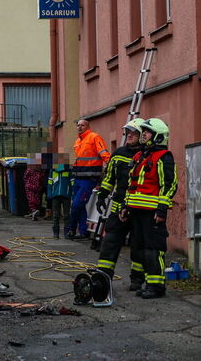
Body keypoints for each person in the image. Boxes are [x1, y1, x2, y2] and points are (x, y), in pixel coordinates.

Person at [124, 118, 177, 299]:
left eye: (147, 132)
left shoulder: (163, 157)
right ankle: (147, 283)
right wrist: (126, 206)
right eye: (144, 131)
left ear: (158, 136)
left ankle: (156, 286)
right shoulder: (140, 156)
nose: (143, 134)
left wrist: (161, 210)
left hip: (152, 213)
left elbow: (169, 185)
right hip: (137, 211)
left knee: (153, 249)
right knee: (139, 248)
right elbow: (131, 184)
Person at [95, 119, 145, 291]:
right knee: (109, 243)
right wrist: (102, 195)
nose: (129, 135)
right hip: (118, 209)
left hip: (138, 210)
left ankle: (137, 280)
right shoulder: (118, 153)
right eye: (127, 132)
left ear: (142, 136)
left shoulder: (147, 155)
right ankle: (103, 277)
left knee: (138, 245)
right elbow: (109, 178)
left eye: (134, 133)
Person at [67, 119, 110, 239]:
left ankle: (71, 229)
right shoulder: (77, 141)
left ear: (88, 126)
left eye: (82, 125)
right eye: (78, 125)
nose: (80, 127)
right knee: (78, 206)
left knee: (77, 205)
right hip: (78, 178)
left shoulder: (94, 137)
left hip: (89, 178)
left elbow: (103, 153)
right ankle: (83, 231)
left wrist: (111, 165)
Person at [46, 161, 71, 239]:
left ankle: (66, 233)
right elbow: (49, 183)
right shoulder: (52, 170)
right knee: (56, 215)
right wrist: (50, 194)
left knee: (66, 215)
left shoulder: (69, 170)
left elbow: (72, 182)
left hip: (66, 195)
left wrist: (72, 193)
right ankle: (56, 233)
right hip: (55, 196)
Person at [22, 155, 47, 220]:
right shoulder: (30, 170)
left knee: (36, 200)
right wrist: (27, 183)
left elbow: (42, 179)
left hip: (36, 187)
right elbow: (25, 177)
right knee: (32, 200)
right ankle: (33, 211)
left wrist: (40, 186)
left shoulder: (40, 171)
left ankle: (33, 211)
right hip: (30, 187)